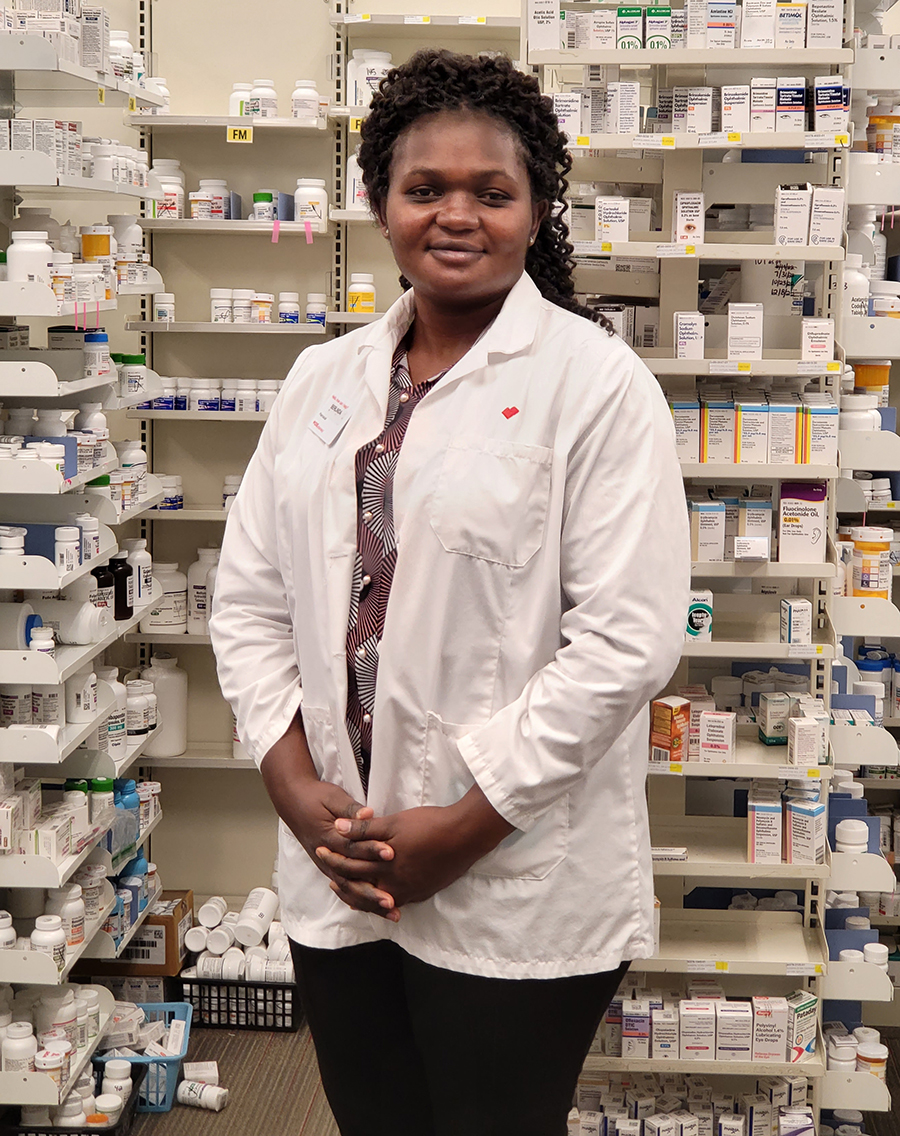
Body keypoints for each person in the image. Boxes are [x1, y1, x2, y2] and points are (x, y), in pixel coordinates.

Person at [210, 48, 689, 1136]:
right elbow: (247, 597)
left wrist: (464, 826)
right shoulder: (320, 382)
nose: (457, 213)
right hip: (341, 853)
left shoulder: (596, 384)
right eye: (426, 188)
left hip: (517, 870)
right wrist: (290, 780)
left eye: (493, 190)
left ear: (534, 209)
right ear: (380, 202)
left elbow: (628, 638)